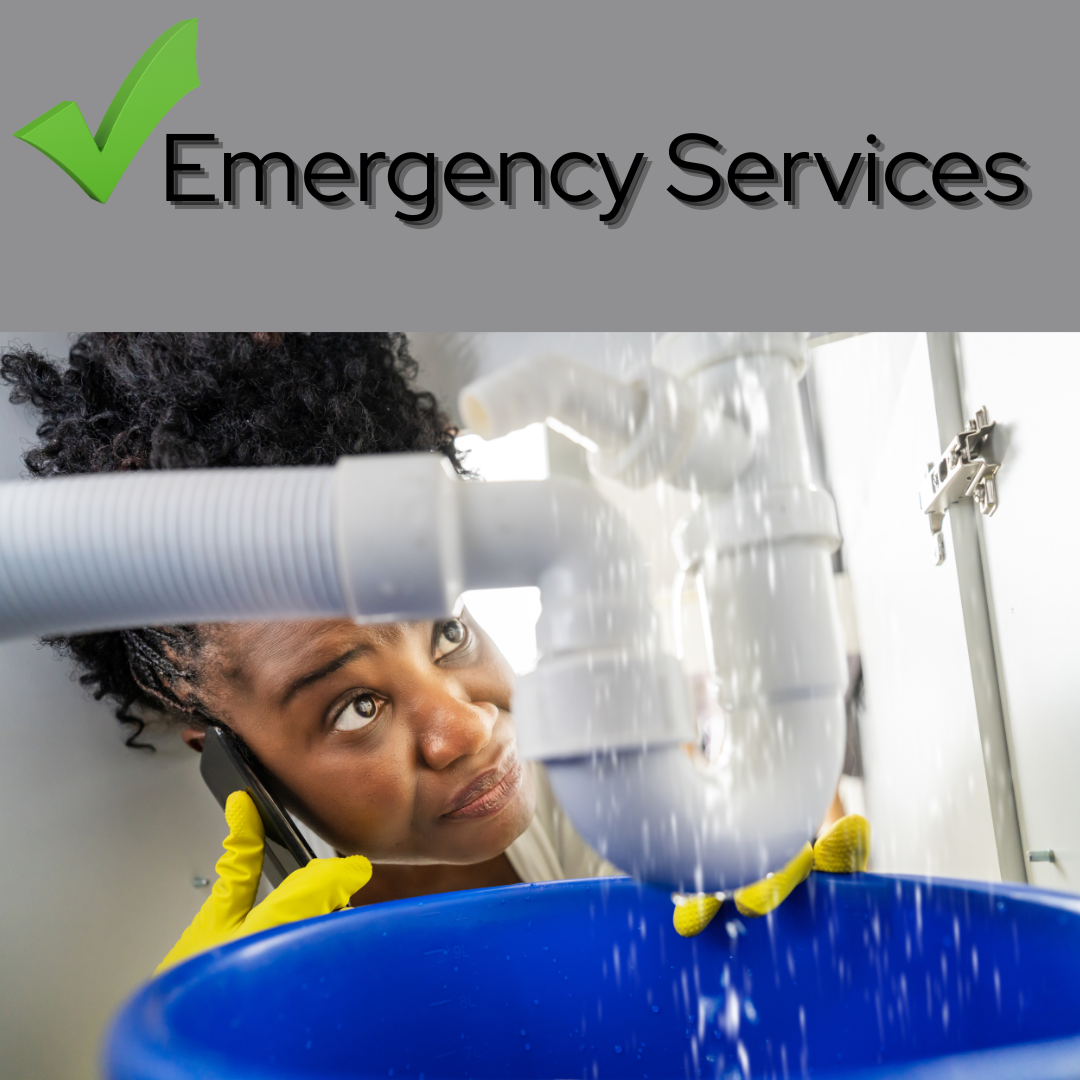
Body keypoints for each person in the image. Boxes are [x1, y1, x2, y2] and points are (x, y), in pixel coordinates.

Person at [1, 332, 622, 970]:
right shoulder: (239, 945)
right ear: (222, 745)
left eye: (449, 633)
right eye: (358, 707)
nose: (466, 727)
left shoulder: (599, 783)